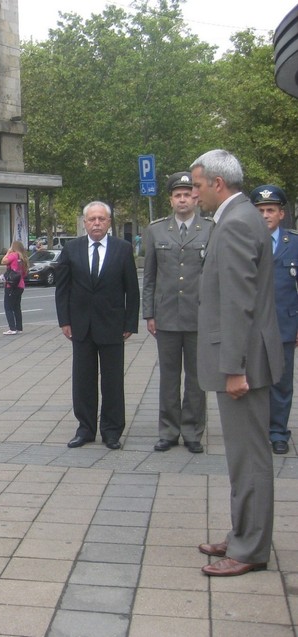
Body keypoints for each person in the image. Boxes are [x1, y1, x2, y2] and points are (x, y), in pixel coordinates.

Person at [191, 150, 282, 577]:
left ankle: (249, 549)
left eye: (197, 186)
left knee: (249, 457)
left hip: (244, 363)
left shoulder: (236, 223)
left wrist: (235, 368)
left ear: (217, 184)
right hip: (246, 357)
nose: (194, 194)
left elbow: (239, 303)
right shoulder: (239, 218)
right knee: (242, 456)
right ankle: (244, 533)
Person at [55, 202, 139, 450]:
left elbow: (131, 290)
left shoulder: (122, 250)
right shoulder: (72, 249)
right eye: (92, 219)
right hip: (81, 326)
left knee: (113, 382)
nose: (96, 223)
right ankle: (85, 429)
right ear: (84, 223)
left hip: (113, 325)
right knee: (83, 381)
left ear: (109, 222)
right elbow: (63, 289)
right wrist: (65, 321)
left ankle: (112, 431)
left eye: (101, 219)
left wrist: (130, 323)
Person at [142, 171, 213, 454]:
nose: (182, 199)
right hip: (167, 316)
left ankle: (193, 431)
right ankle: (168, 431)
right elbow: (149, 277)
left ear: (195, 197)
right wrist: (149, 313)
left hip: (199, 317)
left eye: (187, 194)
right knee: (169, 378)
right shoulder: (156, 230)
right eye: (177, 195)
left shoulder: (210, 229)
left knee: (197, 379)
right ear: (170, 200)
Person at [251, 184, 298, 455]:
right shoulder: (245, 242)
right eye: (260, 210)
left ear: (281, 214)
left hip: (284, 323)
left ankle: (279, 431)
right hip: (253, 326)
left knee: (281, 381)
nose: (266, 215)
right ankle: (257, 430)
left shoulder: (294, 244)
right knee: (255, 380)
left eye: (271, 210)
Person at [1, 240, 28, 335]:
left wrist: (8, 252)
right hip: (20, 285)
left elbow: (3, 261)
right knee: (17, 307)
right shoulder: (23, 258)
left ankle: (12, 328)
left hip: (11, 285)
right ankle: (19, 327)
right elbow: (24, 273)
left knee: (8, 306)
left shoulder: (13, 255)